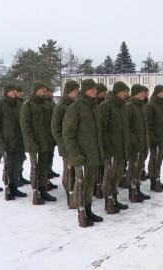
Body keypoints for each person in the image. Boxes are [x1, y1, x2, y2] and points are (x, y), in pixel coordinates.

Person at [63, 79, 105, 227]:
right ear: (86, 90)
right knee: (81, 185)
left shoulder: (93, 107)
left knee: (89, 185)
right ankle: (81, 211)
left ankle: (88, 210)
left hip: (93, 153)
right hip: (83, 154)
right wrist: (75, 155)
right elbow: (68, 134)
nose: (95, 91)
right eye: (92, 88)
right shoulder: (76, 108)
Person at [20, 81, 57, 205]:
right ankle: (36, 190)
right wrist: (31, 143)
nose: (45, 91)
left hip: (46, 141)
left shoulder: (47, 104)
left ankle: (43, 189)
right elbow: (26, 126)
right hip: (34, 143)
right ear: (36, 90)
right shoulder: (28, 105)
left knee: (44, 167)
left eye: (45, 89)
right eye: (42, 89)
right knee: (35, 168)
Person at [99, 81, 131, 213]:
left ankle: (114, 198)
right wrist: (108, 146)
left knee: (117, 175)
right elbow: (102, 128)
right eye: (124, 91)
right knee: (109, 176)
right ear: (118, 91)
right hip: (111, 148)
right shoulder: (106, 106)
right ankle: (109, 200)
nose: (126, 94)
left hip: (121, 147)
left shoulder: (123, 106)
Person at [0, 84, 27, 199]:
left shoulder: (20, 104)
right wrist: (0, 142)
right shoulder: (0, 105)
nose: (15, 92)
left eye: (15, 90)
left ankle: (14, 187)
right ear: (7, 92)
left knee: (18, 165)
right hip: (7, 141)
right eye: (12, 91)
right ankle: (9, 187)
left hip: (19, 140)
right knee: (9, 167)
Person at [51, 80, 79, 207]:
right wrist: (62, 144)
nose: (77, 93)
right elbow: (56, 128)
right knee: (68, 169)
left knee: (74, 168)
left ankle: (74, 191)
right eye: (75, 91)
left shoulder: (75, 104)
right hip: (66, 144)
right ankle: (69, 192)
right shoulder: (61, 106)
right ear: (68, 91)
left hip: (75, 143)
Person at [126, 84, 151, 202]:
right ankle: (132, 191)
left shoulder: (142, 106)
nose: (143, 94)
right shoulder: (130, 106)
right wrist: (134, 141)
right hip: (134, 145)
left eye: (143, 92)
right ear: (135, 93)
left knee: (139, 168)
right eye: (141, 92)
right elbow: (127, 127)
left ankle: (138, 188)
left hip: (143, 144)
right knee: (133, 168)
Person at [147, 85, 163, 192]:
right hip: (155, 139)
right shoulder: (151, 105)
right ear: (157, 92)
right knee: (154, 160)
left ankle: (158, 179)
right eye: (162, 92)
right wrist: (153, 137)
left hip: (162, 138)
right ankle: (153, 182)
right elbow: (149, 125)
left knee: (159, 160)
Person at [93, 83, 108, 199]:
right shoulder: (93, 104)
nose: (105, 94)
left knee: (103, 165)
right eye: (103, 92)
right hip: (93, 140)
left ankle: (100, 186)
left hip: (102, 139)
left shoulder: (103, 104)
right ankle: (95, 187)